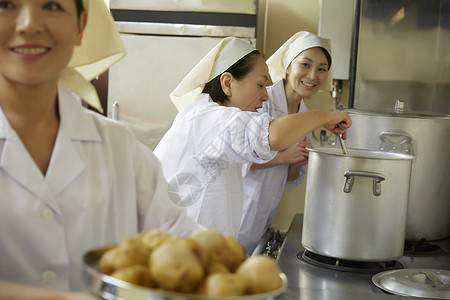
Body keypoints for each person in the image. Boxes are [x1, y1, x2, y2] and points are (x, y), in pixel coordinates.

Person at [0, 0, 200, 298]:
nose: (29, 24)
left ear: (80, 27)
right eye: (6, 4)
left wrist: (225, 260)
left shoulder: (118, 147)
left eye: (52, 6)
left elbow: (176, 233)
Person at [153, 37, 351, 240]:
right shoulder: (207, 118)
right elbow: (270, 136)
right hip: (173, 245)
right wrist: (325, 116)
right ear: (228, 83)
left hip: (199, 242)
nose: (265, 96)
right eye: (260, 85)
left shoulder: (218, 117)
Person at [239, 31, 334, 253]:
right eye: (305, 65)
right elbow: (238, 160)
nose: (312, 75)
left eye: (321, 69)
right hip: (236, 209)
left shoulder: (306, 115)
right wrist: (283, 157)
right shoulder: (262, 100)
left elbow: (289, 179)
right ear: (289, 66)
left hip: (263, 218)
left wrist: (298, 160)